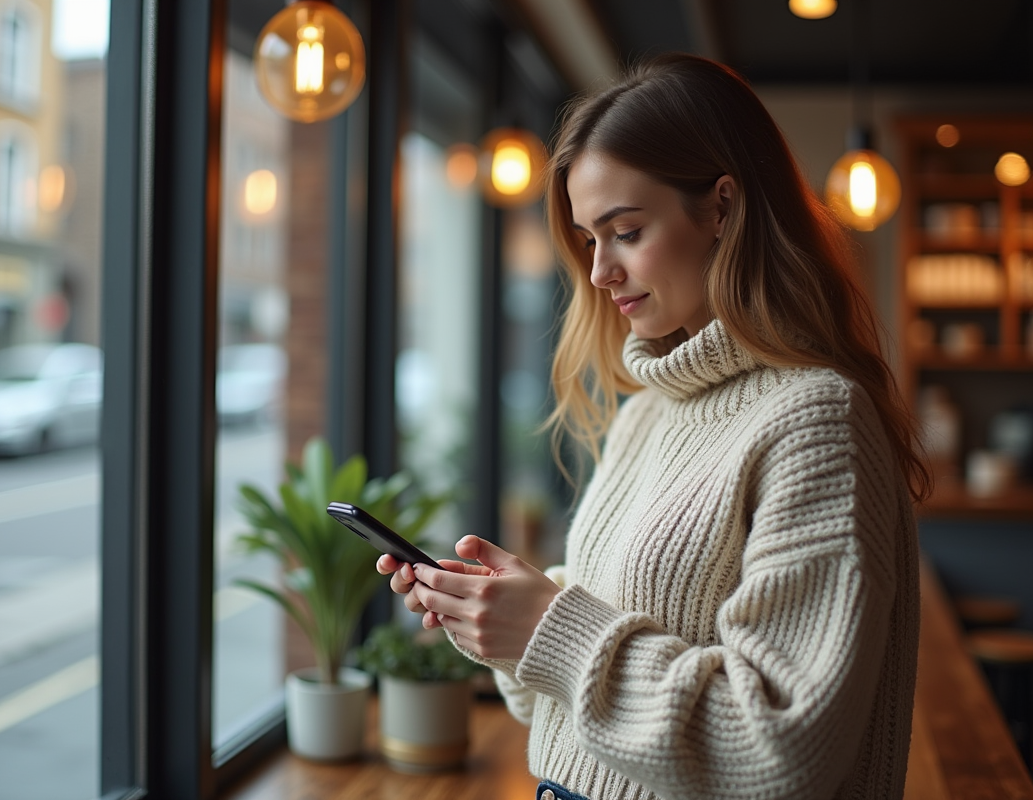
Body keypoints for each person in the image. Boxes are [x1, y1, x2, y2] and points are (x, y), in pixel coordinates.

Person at [377, 53, 928, 800]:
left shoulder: (817, 420)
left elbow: (783, 743)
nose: (599, 270)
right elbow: (603, 652)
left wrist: (549, 629)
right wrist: (502, 623)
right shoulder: (648, 413)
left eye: (625, 230)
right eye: (587, 239)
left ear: (723, 210)